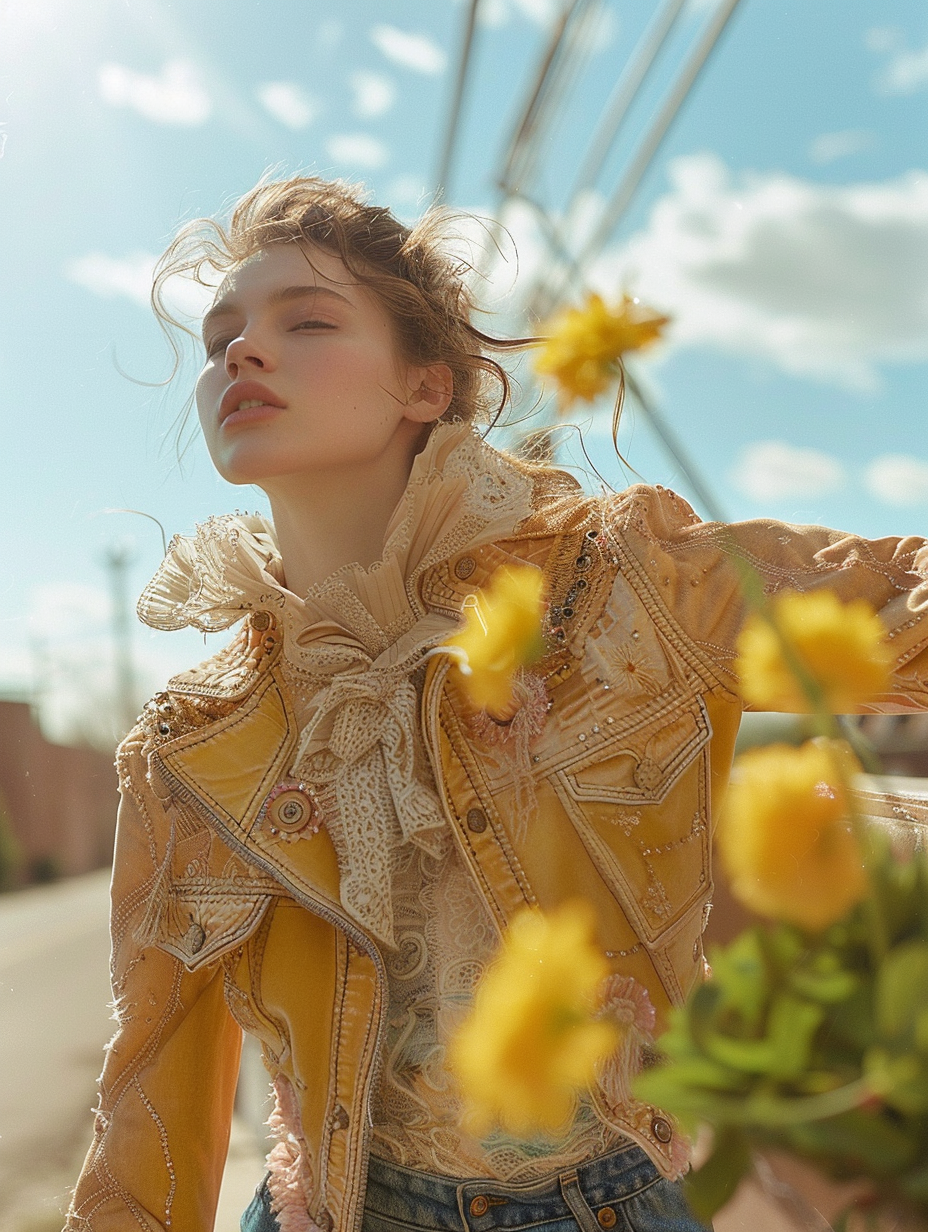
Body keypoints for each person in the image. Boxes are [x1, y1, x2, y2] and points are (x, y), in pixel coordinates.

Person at [65, 176, 928, 1232]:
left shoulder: (622, 584)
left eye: (307, 321)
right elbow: (150, 1103)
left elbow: (905, 607)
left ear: (426, 386)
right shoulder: (191, 744)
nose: (240, 353)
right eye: (219, 337)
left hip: (610, 1197)